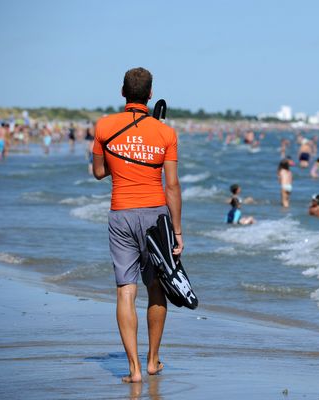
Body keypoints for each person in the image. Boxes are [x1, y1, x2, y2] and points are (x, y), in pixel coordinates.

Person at [92, 67, 181, 383]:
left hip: (121, 214)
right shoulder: (165, 132)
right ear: (151, 94)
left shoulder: (104, 126)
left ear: (122, 92)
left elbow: (99, 172)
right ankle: (153, 360)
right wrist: (178, 231)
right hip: (156, 217)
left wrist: (124, 160)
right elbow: (172, 186)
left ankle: (134, 370)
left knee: (125, 292)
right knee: (156, 287)